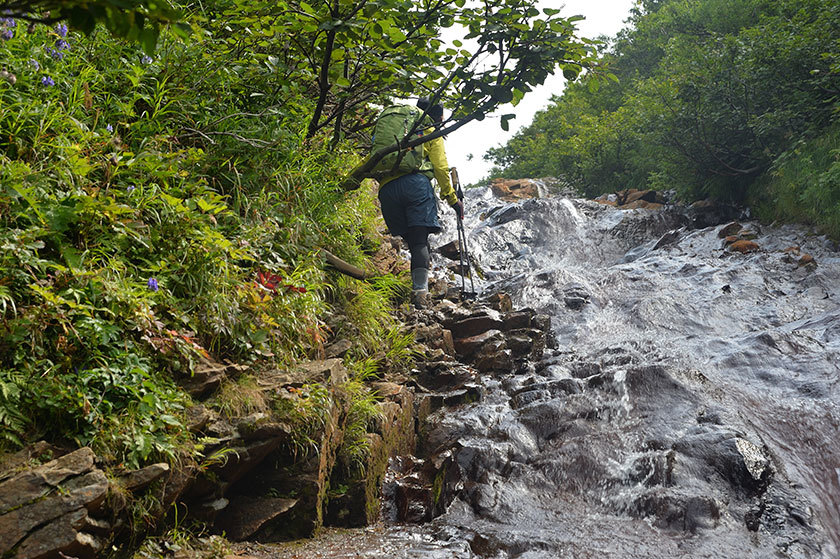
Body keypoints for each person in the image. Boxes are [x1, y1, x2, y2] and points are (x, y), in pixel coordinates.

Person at [377, 97, 464, 309]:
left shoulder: (401, 127)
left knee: (410, 240)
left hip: (386, 189)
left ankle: (414, 289)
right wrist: (453, 200)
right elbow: (441, 168)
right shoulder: (430, 131)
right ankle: (420, 296)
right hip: (415, 186)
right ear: (436, 118)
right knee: (419, 242)